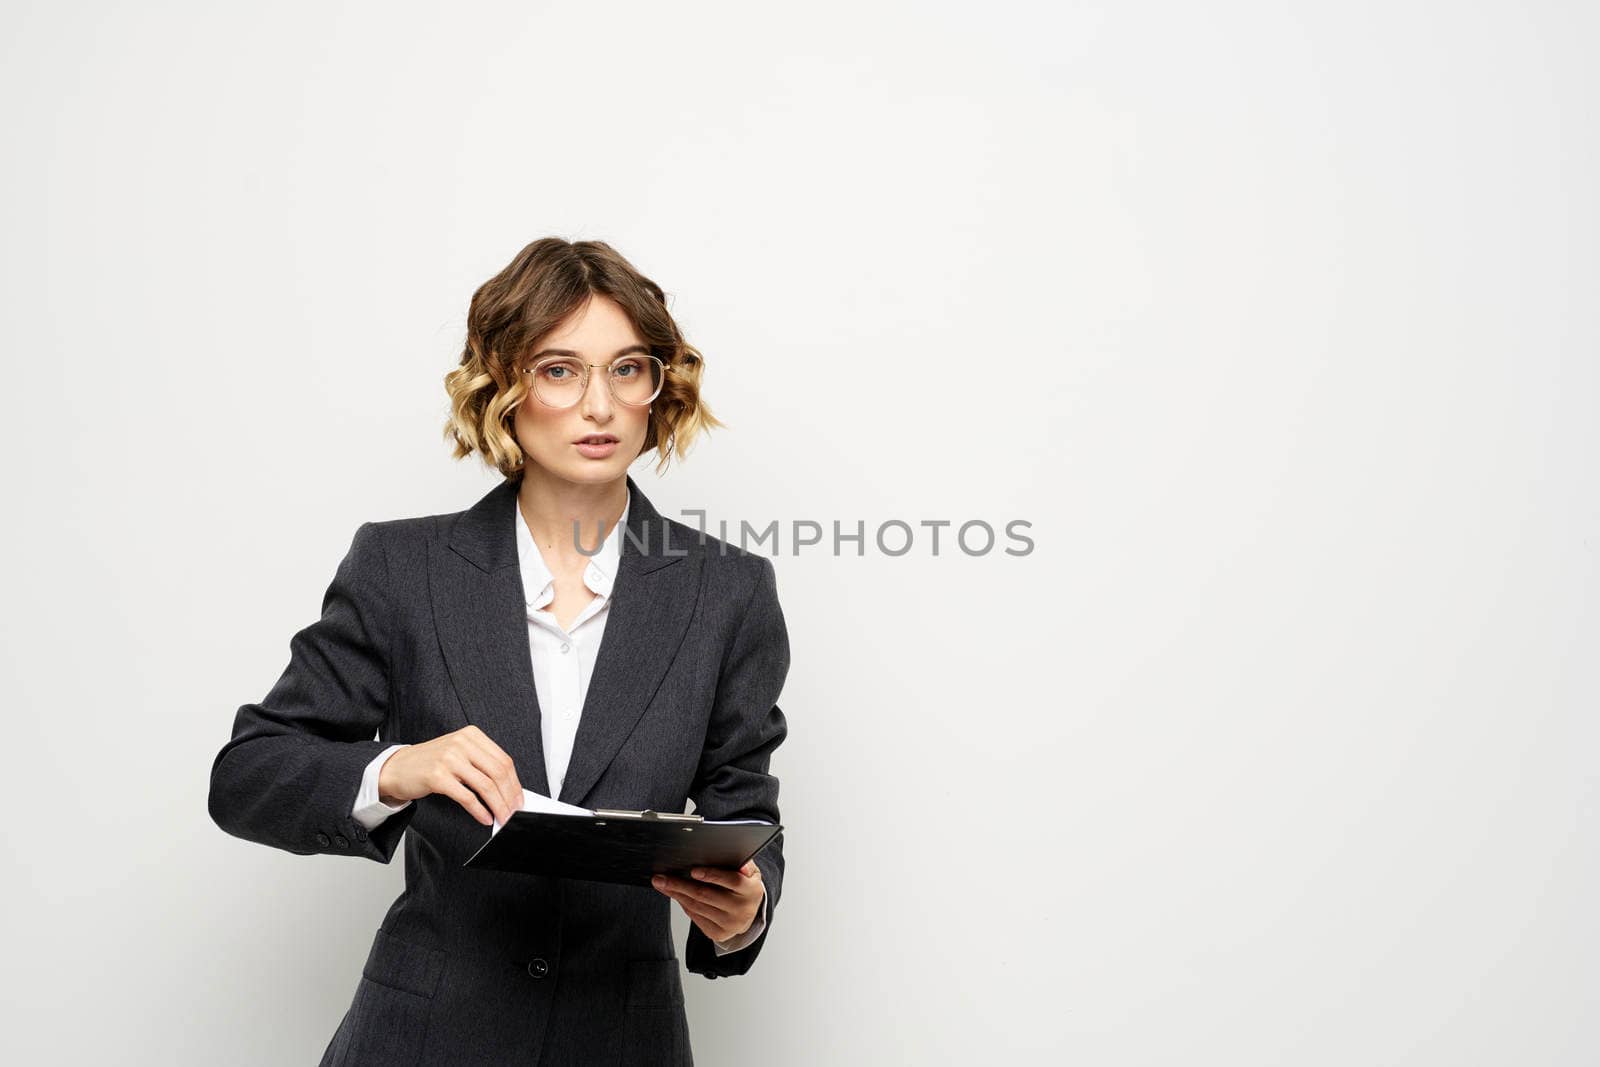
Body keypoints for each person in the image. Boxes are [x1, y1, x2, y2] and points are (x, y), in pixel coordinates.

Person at [207, 238, 790, 1066]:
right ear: (503, 388)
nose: (600, 405)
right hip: (423, 1039)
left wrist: (747, 905)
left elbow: (747, 812)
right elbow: (247, 775)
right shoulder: (400, 568)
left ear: (659, 389)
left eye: (628, 369)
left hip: (622, 1040)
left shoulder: (728, 591)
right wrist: (398, 766)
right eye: (560, 369)